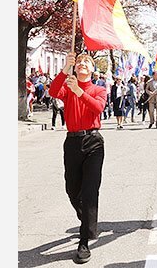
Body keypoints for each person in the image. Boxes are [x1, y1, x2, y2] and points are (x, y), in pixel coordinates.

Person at [48, 52, 107, 264]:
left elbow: (98, 107)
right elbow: (53, 91)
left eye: (87, 62)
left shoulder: (98, 89)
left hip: (93, 142)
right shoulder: (68, 85)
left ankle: (84, 241)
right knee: (72, 189)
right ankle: (88, 221)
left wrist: (79, 91)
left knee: (90, 191)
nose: (82, 64)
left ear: (92, 69)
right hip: (72, 142)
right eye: (79, 61)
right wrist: (65, 70)